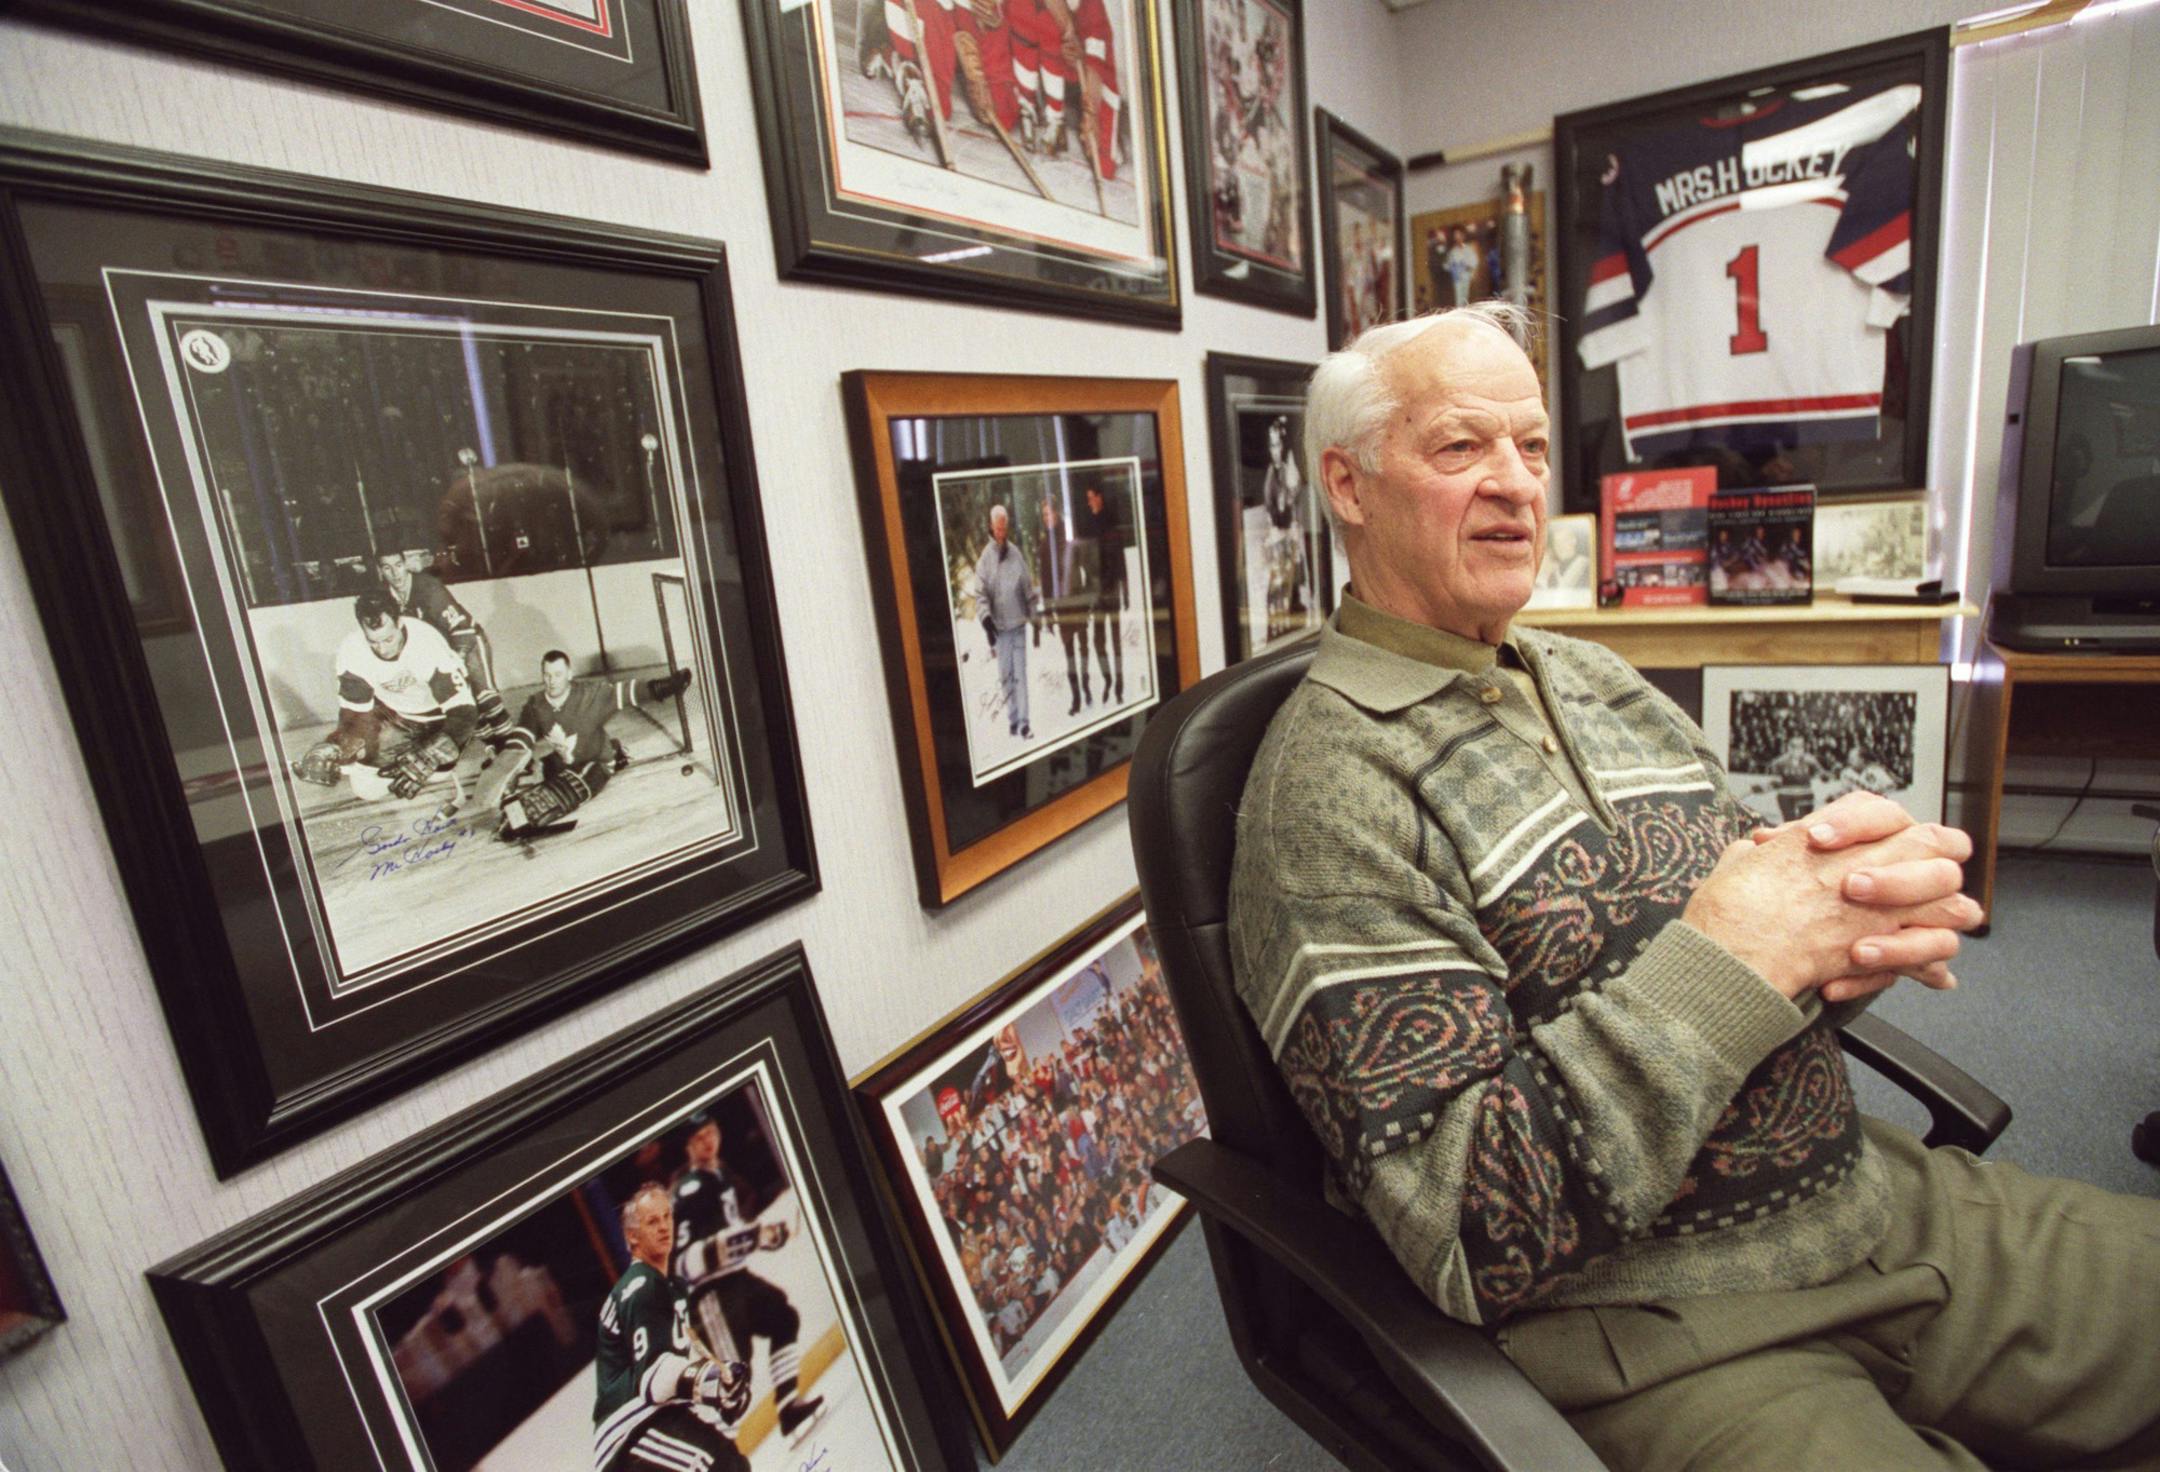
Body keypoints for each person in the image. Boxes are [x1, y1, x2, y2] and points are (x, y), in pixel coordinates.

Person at [1226, 302, 2160, 1471]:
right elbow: (1472, 1225)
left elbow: (1759, 954)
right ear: (1349, 484)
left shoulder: (1599, 676)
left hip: (1876, 1203)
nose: (1516, 484)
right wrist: (1741, 954)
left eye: (1530, 444)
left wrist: (1846, 926)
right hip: (1667, 1328)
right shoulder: (1325, 799)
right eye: (1462, 446)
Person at [669, 1114, 825, 1439]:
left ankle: (788, 1408)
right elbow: (686, 1262)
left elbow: (733, 1234)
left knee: (783, 1317)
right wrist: (754, 1237)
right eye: (700, 1138)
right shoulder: (689, 1190)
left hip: (737, 1282)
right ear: (688, 1146)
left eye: (711, 1132)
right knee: (732, 1381)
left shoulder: (721, 1176)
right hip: (713, 1296)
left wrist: (766, 1237)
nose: (709, 1141)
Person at [593, 1183, 751, 1472]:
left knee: (731, 1462)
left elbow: (682, 1370)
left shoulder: (671, 1288)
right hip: (629, 1435)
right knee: (717, 1464)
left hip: (656, 1420)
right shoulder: (639, 1286)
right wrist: (709, 1381)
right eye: (652, 1221)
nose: (664, 1227)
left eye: (667, 1217)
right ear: (632, 1237)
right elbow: (655, 1379)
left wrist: (721, 1389)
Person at [294, 588, 477, 798]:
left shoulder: (427, 642)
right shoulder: (352, 650)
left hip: (440, 719)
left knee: (438, 774)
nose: (382, 649)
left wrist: (441, 747)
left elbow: (464, 713)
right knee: (366, 790)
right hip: (395, 716)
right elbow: (356, 715)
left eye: (388, 639)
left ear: (400, 624)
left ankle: (427, 755)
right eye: (373, 641)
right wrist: (336, 744)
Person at [492, 649, 693, 839]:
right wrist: (510, 759)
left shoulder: (590, 695)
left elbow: (628, 692)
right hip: (564, 760)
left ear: (569, 674)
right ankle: (615, 750)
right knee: (533, 771)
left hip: (595, 761)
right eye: (547, 675)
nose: (552, 681)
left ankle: (612, 755)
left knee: (568, 787)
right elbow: (524, 732)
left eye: (558, 674)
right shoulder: (536, 705)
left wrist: (664, 686)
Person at [374, 550, 511, 742]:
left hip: (466, 641)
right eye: (387, 568)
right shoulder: (385, 598)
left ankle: (514, 749)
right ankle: (495, 751)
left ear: (405, 564)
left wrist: (458, 660)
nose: (395, 573)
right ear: (380, 570)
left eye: (398, 565)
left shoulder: (428, 587)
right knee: (464, 702)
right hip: (441, 651)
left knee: (485, 697)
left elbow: (460, 628)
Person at [975, 503, 1036, 740]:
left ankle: (1024, 724)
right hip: (1000, 630)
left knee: (1020, 676)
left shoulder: (1016, 555)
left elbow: (1027, 589)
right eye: (997, 528)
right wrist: (986, 621)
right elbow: (981, 595)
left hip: (1018, 626)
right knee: (1006, 677)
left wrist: (1034, 615)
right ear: (991, 526)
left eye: (1004, 528)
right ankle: (1012, 719)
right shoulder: (984, 560)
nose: (1001, 533)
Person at [1033, 491, 1092, 715]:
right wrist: (1048, 613)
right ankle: (1076, 695)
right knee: (1069, 653)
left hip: (1077, 600)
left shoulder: (1069, 535)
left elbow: (1085, 566)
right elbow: (1046, 583)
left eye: (1050, 512)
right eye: (1044, 514)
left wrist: (1088, 597)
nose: (1047, 517)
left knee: (1084, 647)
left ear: (1057, 512)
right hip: (1061, 605)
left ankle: (1086, 685)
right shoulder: (1043, 546)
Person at [1077, 481, 1128, 703]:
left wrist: (1126, 591)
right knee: (1099, 642)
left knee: (1116, 642)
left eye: (1091, 498)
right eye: (1087, 499)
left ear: (1100, 498)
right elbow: (1086, 564)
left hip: (1112, 592)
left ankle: (1119, 685)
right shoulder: (1088, 527)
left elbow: (1120, 561)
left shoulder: (1112, 528)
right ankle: (1108, 679)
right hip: (1096, 594)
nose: (1089, 503)